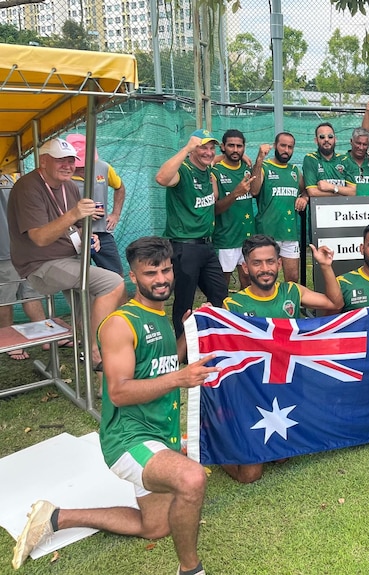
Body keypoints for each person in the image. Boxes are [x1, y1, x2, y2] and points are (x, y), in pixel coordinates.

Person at [12, 237, 216, 574]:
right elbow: (119, 392)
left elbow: (166, 363)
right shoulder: (122, 323)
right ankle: (190, 570)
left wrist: (189, 332)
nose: (161, 279)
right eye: (151, 273)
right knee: (192, 479)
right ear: (133, 278)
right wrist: (181, 379)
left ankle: (55, 517)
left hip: (159, 436)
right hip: (128, 439)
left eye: (165, 270)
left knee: (155, 527)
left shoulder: (160, 316)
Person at [221, 234, 344, 482]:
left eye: (269, 262)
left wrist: (325, 266)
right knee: (250, 475)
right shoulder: (232, 305)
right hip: (253, 394)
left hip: (289, 388)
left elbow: (334, 303)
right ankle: (222, 441)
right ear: (245, 267)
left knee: (282, 456)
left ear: (279, 263)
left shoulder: (291, 291)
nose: (264, 269)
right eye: (257, 263)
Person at [7, 137, 126, 368]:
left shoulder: (69, 185)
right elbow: (40, 238)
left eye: (71, 160)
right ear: (43, 162)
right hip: (40, 265)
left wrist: (87, 235)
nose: (68, 165)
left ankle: (100, 365)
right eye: (61, 160)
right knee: (112, 283)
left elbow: (76, 227)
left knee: (91, 302)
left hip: (70, 258)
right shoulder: (27, 186)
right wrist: (74, 214)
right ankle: (94, 350)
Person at [154, 129, 229, 337]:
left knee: (220, 295)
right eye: (202, 147)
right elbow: (161, 178)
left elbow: (221, 162)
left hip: (206, 245)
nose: (208, 152)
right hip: (185, 246)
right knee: (185, 301)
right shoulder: (184, 170)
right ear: (192, 151)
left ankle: (217, 338)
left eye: (211, 148)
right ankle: (182, 348)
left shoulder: (208, 171)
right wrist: (186, 147)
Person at [0, 182, 61, 361]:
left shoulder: (17, 175)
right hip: (4, 250)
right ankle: (10, 342)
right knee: (5, 297)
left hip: (28, 248)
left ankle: (45, 336)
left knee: (32, 293)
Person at [249, 132, 307, 284]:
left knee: (293, 278)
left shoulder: (295, 170)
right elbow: (253, 190)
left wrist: (304, 197)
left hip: (290, 233)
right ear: (275, 145)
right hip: (267, 234)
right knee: (266, 278)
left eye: (290, 147)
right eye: (283, 145)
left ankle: (291, 307)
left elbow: (305, 189)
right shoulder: (264, 167)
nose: (286, 150)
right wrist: (260, 159)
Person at [66, 134, 127, 275]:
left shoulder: (104, 167)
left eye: (86, 164)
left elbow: (120, 187)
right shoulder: (62, 175)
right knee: (78, 280)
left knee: (115, 277)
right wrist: (81, 214)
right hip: (73, 235)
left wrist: (115, 214)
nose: (82, 169)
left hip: (102, 232)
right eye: (78, 164)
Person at [212, 129, 257, 289]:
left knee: (247, 280)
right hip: (226, 238)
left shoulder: (247, 168)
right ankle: (221, 313)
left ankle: (243, 314)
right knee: (222, 283)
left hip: (247, 237)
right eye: (231, 145)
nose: (236, 149)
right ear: (223, 146)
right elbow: (214, 210)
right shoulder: (215, 171)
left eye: (239, 146)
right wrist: (235, 193)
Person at [302, 122, 357, 197]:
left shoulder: (345, 160)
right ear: (316, 140)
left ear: (335, 139)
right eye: (322, 137)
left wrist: (332, 187)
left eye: (330, 136)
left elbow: (352, 192)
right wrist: (342, 193)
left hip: (343, 208)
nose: (326, 139)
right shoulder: (311, 159)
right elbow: (313, 192)